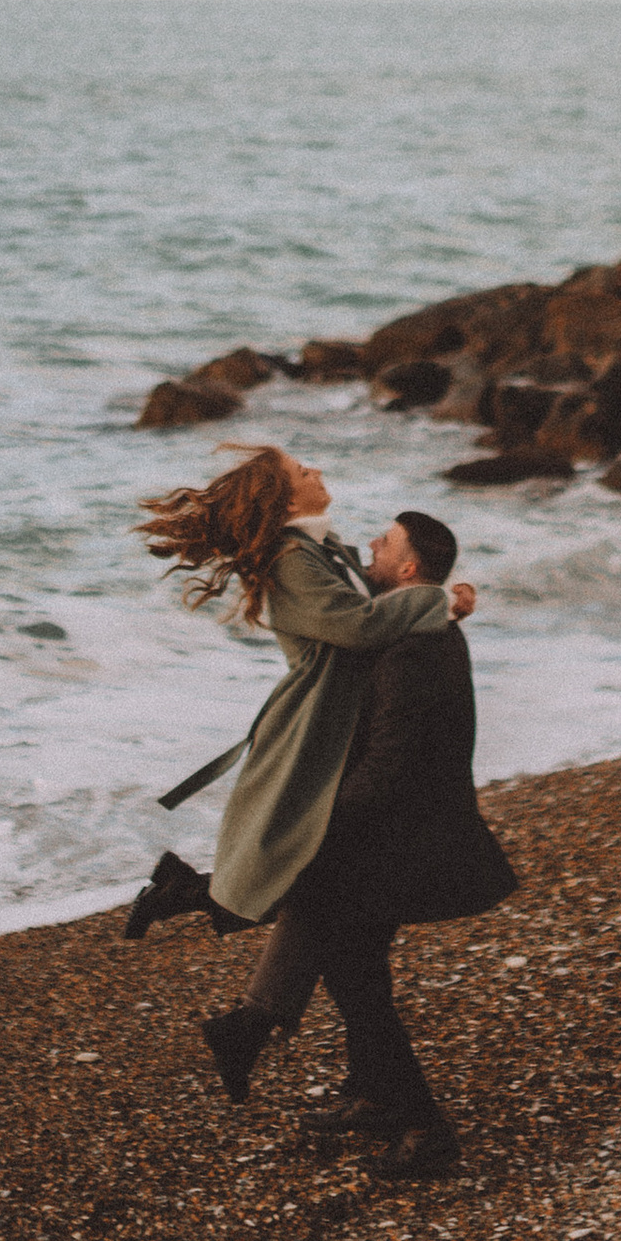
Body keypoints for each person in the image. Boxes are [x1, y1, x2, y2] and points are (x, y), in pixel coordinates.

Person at [215, 504, 516, 1182]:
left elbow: (389, 766)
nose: (369, 547)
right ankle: (371, 1093)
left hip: (398, 844)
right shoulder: (421, 626)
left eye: (385, 542)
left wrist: (316, 825)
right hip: (400, 834)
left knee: (357, 981)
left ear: (407, 569)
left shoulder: (412, 648)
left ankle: (425, 1128)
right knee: (359, 971)